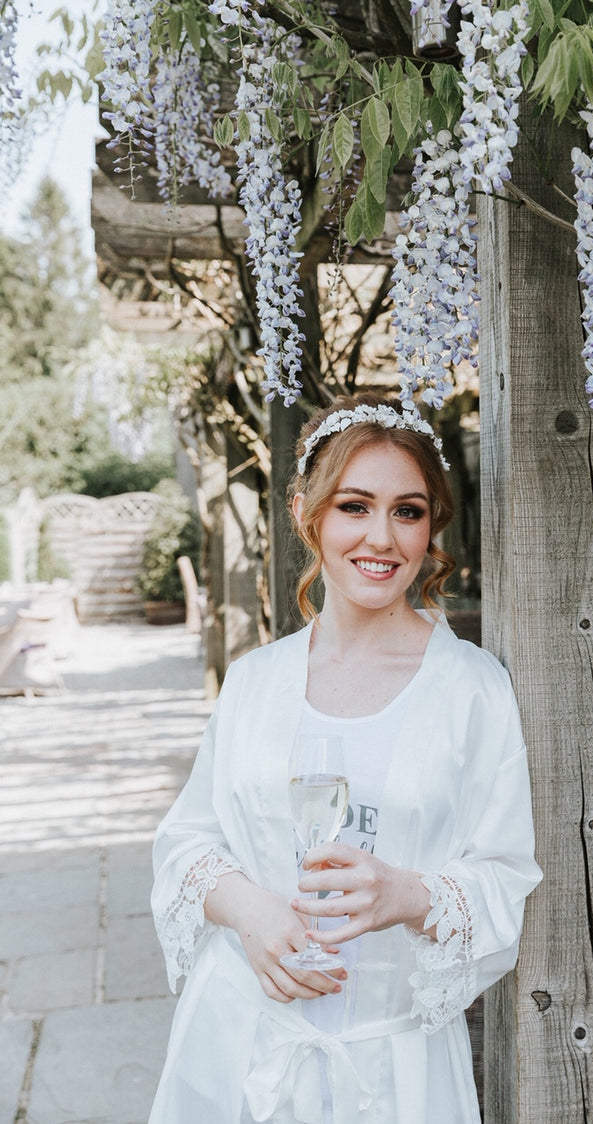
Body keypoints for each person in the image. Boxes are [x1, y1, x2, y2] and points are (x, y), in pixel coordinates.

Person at [148, 392, 542, 1124]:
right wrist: (254, 912)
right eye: (355, 506)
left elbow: (505, 875)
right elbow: (186, 846)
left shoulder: (472, 690)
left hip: (395, 1072)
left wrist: (406, 895)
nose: (383, 538)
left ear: (432, 527)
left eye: (409, 510)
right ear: (308, 512)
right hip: (239, 1050)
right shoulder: (255, 682)